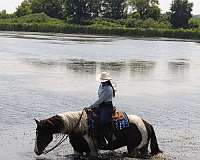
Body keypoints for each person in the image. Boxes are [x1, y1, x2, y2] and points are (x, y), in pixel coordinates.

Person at [90, 72, 115, 148]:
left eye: (103, 81)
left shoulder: (109, 89)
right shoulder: (101, 86)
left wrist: (91, 106)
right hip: (100, 106)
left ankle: (105, 139)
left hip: (107, 107)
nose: (102, 82)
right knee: (89, 116)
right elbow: (100, 99)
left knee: (103, 122)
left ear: (107, 81)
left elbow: (101, 99)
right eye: (101, 81)